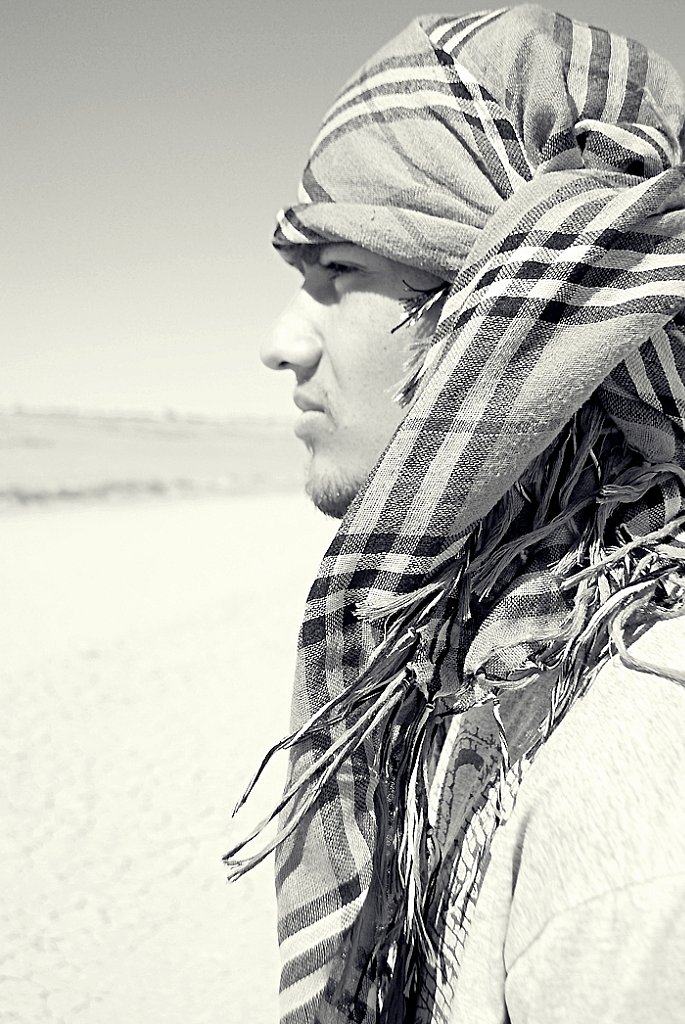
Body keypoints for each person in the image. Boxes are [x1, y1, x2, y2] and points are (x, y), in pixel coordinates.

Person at [226, 6, 685, 1022]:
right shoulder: (484, 642)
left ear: (495, 304)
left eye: (339, 272)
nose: (280, 342)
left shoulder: (635, 790)